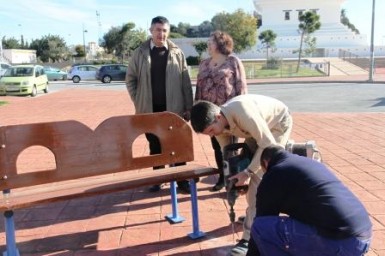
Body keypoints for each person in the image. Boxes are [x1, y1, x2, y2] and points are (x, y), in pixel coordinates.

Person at [190, 94, 293, 256]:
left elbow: (267, 144)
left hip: (277, 125)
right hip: (255, 132)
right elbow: (229, 155)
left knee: (259, 179)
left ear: (218, 117)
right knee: (249, 177)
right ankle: (253, 217)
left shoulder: (243, 113)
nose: (211, 135)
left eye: (211, 131)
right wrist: (234, 177)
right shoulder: (219, 126)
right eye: (207, 134)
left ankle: (249, 238)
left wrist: (248, 172)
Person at [247, 145, 372, 256]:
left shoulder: (274, 174)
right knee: (294, 225)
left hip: (342, 243)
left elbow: (261, 222)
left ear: (266, 163)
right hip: (362, 238)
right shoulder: (308, 163)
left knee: (261, 227)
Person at [125, 16, 193, 194]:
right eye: (157, 30)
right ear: (151, 31)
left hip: (174, 109)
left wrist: (188, 106)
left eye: (164, 30)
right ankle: (159, 179)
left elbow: (185, 81)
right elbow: (130, 79)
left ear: (168, 32)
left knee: (177, 144)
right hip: (149, 110)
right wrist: (138, 99)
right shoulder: (140, 53)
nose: (161, 34)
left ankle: (182, 180)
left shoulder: (177, 53)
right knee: (155, 146)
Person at [195, 30, 247, 192]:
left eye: (211, 41)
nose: (208, 44)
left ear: (221, 43)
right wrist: (197, 108)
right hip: (209, 114)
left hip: (228, 114)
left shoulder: (233, 61)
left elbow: (241, 86)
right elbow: (199, 87)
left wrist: (242, 109)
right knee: (216, 147)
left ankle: (233, 181)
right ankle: (223, 178)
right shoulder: (204, 63)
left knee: (229, 149)